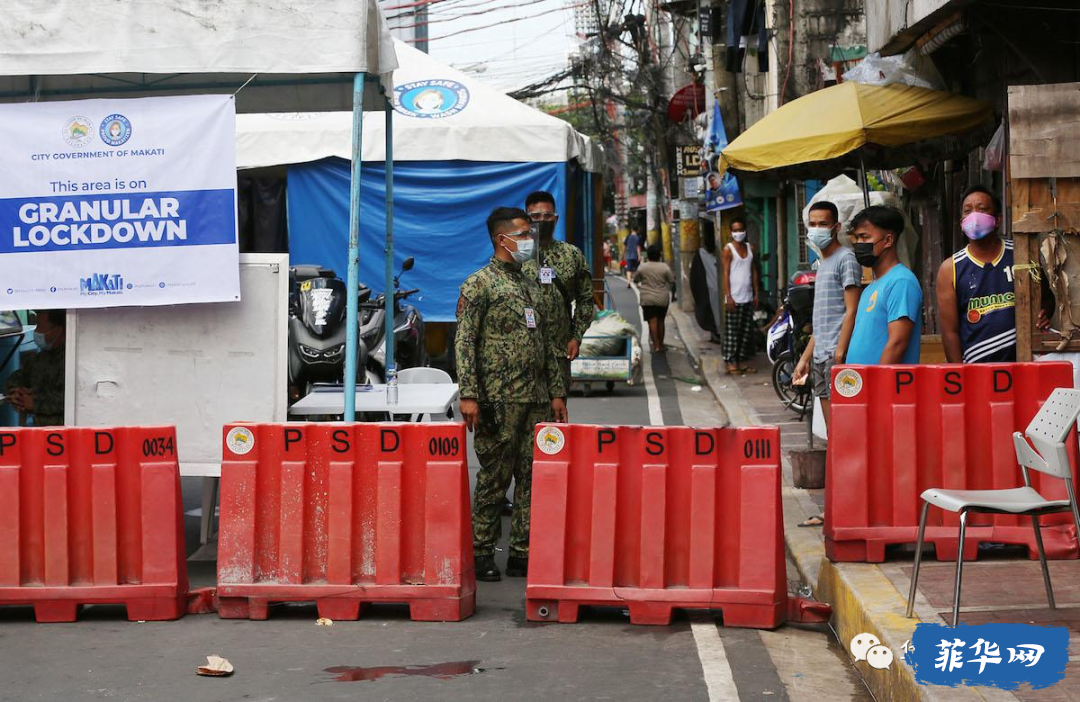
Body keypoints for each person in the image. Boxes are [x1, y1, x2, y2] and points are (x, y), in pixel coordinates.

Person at [456, 207, 568, 582]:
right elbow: (465, 341)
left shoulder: (532, 282)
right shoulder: (479, 284)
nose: (529, 240)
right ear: (502, 239)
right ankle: (482, 550)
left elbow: (548, 340)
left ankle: (523, 551)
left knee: (533, 475)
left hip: (535, 397)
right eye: (522, 233)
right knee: (494, 478)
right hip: (497, 399)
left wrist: (556, 392)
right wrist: (469, 394)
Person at [936, 185, 1052, 363]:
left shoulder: (1021, 256)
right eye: (968, 211)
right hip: (977, 367)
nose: (974, 216)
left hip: (1025, 361)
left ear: (997, 220)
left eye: (982, 209)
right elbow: (950, 332)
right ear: (961, 223)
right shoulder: (950, 268)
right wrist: (959, 375)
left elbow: (1047, 298)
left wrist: (1045, 313)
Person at [793, 201, 862, 426]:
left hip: (836, 355)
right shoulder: (822, 264)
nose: (817, 228)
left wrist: (840, 355)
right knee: (832, 431)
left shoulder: (846, 259)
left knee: (844, 429)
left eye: (823, 223)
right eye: (812, 224)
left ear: (836, 227)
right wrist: (805, 359)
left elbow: (852, 309)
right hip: (820, 356)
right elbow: (821, 322)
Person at [523, 191, 594, 398]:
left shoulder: (572, 255)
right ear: (526, 219)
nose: (542, 221)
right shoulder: (516, 254)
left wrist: (576, 336)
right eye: (535, 217)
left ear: (556, 219)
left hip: (558, 349)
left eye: (547, 216)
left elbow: (586, 299)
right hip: (520, 353)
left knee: (555, 417)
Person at [847, 206, 923, 365]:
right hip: (861, 385)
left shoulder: (901, 282)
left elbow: (897, 344)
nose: (859, 244)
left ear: (888, 240)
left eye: (864, 237)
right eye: (857, 238)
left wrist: (877, 385)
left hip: (884, 387)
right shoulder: (870, 288)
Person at [5, 309, 66, 426]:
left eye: (40, 326)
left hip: (63, 434)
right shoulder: (41, 358)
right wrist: (17, 394)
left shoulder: (72, 360)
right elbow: (17, 377)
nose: (36, 332)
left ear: (58, 330)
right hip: (39, 432)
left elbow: (71, 400)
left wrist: (35, 402)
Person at [720, 217, 760, 374]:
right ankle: (730, 361)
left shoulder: (750, 247)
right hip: (734, 298)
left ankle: (741, 360)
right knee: (732, 332)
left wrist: (756, 294)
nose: (738, 233)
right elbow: (725, 273)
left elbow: (753, 271)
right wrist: (728, 296)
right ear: (731, 232)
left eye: (740, 229)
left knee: (745, 332)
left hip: (747, 296)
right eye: (735, 230)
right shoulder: (728, 249)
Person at [633, 244, 676, 352]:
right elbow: (671, 281)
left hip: (647, 298)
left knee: (652, 321)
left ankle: (656, 345)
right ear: (659, 255)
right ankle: (661, 345)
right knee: (661, 321)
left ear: (648, 255)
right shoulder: (665, 267)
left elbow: (636, 280)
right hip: (662, 298)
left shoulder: (643, 267)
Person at [690, 226, 723, 344]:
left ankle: (717, 333)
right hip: (710, 292)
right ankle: (716, 333)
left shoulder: (723, 251)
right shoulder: (701, 254)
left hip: (716, 291)